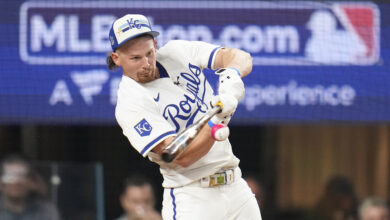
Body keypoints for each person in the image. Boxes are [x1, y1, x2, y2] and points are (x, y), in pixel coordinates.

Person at [107, 14, 261, 219]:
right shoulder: (130, 104)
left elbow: (240, 56)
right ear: (117, 58)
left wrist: (231, 75)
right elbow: (181, 157)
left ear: (155, 44)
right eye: (136, 58)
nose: (146, 63)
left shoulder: (176, 51)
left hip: (236, 187)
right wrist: (218, 119)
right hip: (193, 196)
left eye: (149, 53)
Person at [0, 154, 61, 220]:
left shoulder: (46, 211)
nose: (16, 182)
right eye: (10, 176)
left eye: (21, 175)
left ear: (30, 181)